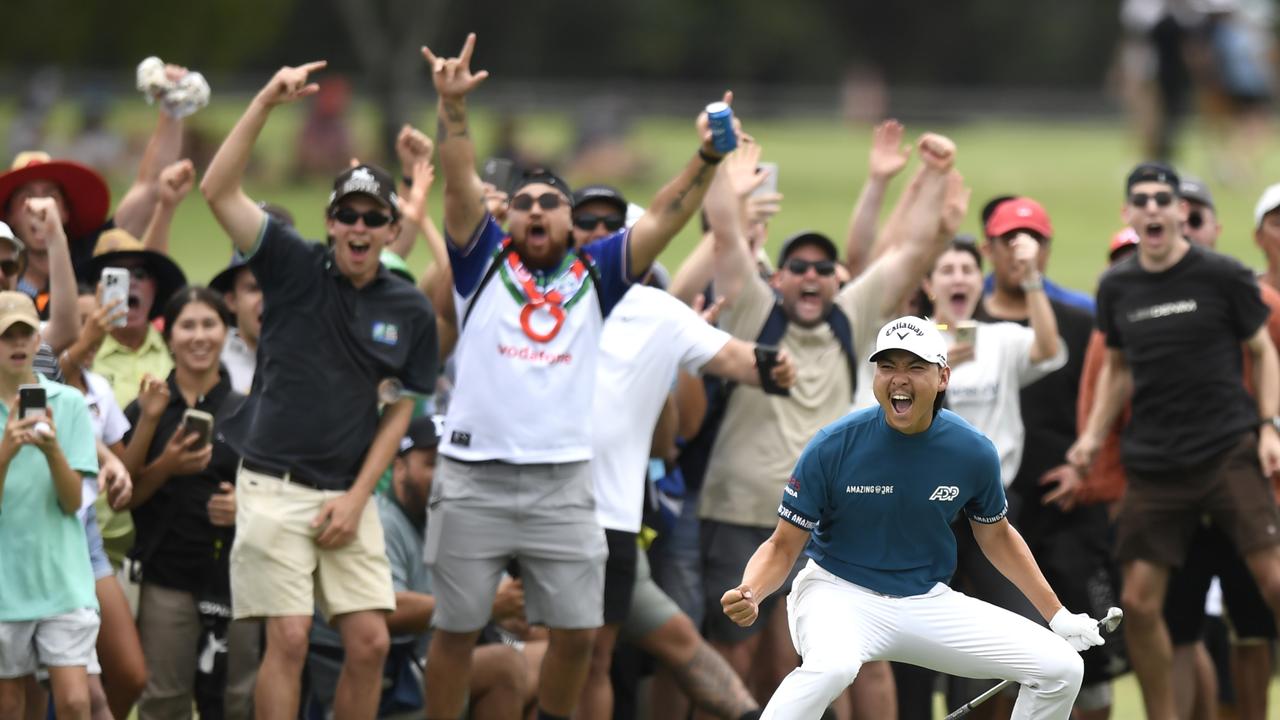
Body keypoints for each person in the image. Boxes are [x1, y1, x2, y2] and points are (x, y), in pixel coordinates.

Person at [420, 33, 732, 720]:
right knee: (455, 630)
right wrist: (455, 113)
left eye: (550, 203)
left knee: (578, 632)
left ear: (570, 224)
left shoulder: (597, 276)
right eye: (525, 202)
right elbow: (458, 180)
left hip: (565, 480)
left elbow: (669, 215)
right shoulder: (482, 267)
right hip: (474, 475)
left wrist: (707, 157)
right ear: (509, 219)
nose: (536, 209)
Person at [200, 59, 439, 720]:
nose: (359, 228)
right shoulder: (288, 262)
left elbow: (402, 406)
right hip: (273, 484)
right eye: (347, 214)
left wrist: (359, 496)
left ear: (393, 230)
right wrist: (267, 102)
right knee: (292, 636)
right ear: (330, 222)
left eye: (373, 217)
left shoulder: (410, 308)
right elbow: (218, 190)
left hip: (347, 496)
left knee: (367, 641)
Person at [721, 315, 1104, 719]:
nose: (898, 379)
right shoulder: (832, 446)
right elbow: (782, 546)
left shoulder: (972, 451)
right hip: (836, 593)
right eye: (887, 366)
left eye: (915, 367)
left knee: (1062, 668)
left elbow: (997, 536)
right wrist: (752, 590)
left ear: (942, 377)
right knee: (833, 666)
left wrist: (1057, 615)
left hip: (925, 601)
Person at [697, 133, 964, 708]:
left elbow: (911, 251)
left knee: (836, 658)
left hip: (828, 520)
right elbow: (723, 233)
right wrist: (714, 158)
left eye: (823, 266)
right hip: (740, 509)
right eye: (797, 266)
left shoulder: (852, 319)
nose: (811, 275)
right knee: (741, 652)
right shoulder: (752, 310)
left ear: (838, 278)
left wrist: (935, 172)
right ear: (780, 277)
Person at [1069, 162, 1280, 720]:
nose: (1155, 208)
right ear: (1129, 214)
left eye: (1164, 199)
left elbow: (1263, 351)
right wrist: (1091, 439)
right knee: (1137, 604)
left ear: (1180, 213)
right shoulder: (1118, 285)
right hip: (1156, 465)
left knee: (1274, 581)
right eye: (1143, 199)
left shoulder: (1223, 275)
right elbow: (1116, 370)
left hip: (1226, 450)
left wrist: (1268, 427)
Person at [303, 416, 528, 720]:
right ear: (399, 469)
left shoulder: (453, 525)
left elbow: (506, 605)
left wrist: (523, 609)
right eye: (433, 463)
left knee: (551, 659)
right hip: (378, 681)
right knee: (505, 666)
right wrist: (485, 605)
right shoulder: (382, 521)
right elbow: (385, 611)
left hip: (419, 664)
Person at [118, 287, 258, 719]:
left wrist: (245, 507)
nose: (199, 337)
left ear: (225, 331)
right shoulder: (145, 409)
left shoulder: (250, 411)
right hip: (166, 576)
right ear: (169, 335)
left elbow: (278, 490)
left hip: (240, 578)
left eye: (209, 324)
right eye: (188, 325)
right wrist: (168, 464)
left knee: (239, 699)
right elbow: (123, 494)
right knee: (163, 700)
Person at [0, 291, 100, 720]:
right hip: (5, 582)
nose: (18, 343)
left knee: (77, 701)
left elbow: (72, 500)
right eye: (7, 336)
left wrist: (53, 450)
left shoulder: (69, 404)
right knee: (10, 706)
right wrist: (7, 448)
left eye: (26, 333)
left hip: (62, 576)